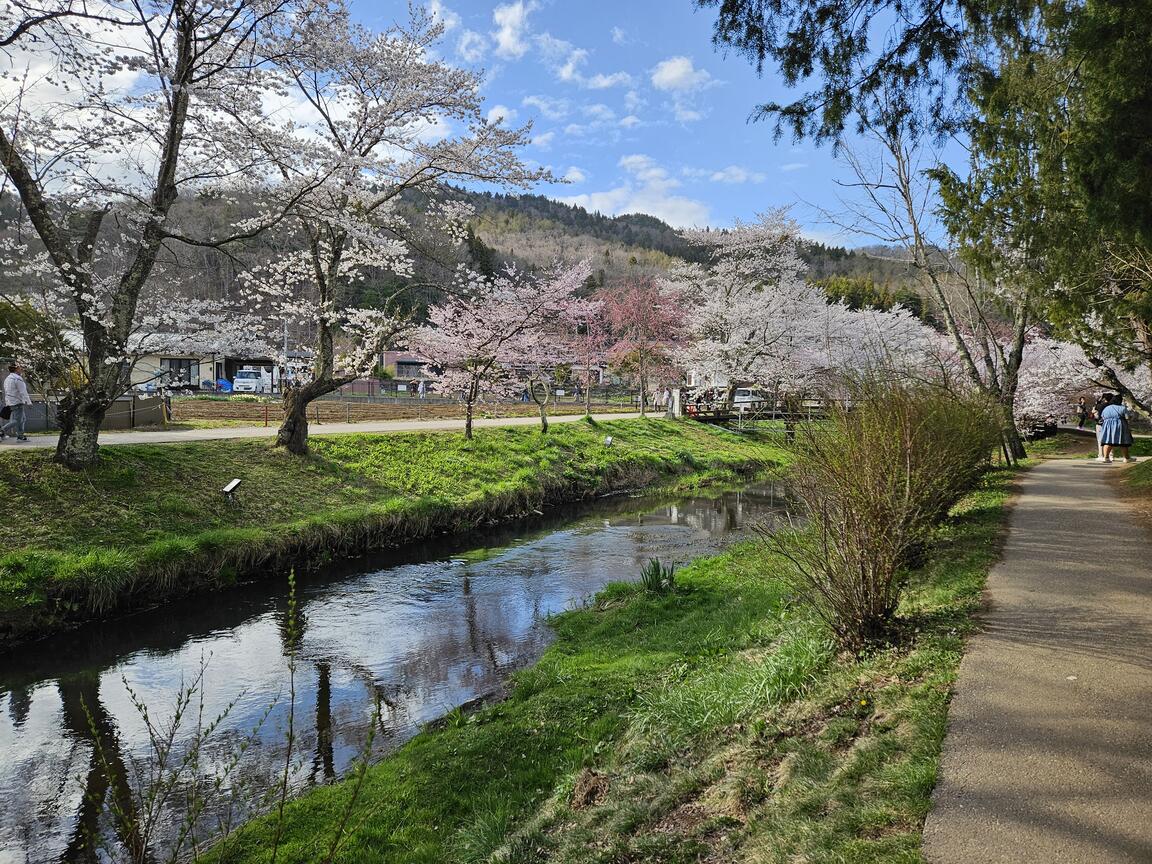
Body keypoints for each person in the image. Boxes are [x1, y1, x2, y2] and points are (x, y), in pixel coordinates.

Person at [1098, 394, 1137, 463]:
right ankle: (1126, 458)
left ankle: (1106, 458)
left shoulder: (1107, 408)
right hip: (1120, 425)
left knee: (1108, 441)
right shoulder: (1122, 408)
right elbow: (1127, 417)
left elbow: (1103, 417)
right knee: (1123, 442)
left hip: (1108, 426)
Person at [1, 364, 32, 441]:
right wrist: (29, 402)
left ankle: (20, 436)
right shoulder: (18, 379)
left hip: (10, 402)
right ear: (16, 369)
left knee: (22, 419)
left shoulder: (7, 379)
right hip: (17, 402)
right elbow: (23, 392)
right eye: (20, 368)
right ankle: (2, 430)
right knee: (18, 420)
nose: (21, 369)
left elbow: (7, 391)